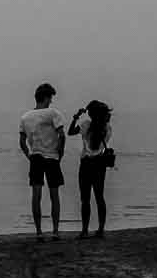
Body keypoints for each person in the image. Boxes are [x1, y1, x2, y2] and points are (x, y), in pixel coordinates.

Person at [17, 82, 67, 237]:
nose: (51, 101)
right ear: (46, 97)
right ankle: (55, 231)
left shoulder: (25, 117)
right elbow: (62, 135)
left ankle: (38, 231)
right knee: (54, 195)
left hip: (35, 157)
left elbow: (22, 141)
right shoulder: (52, 113)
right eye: (50, 97)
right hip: (52, 157)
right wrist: (60, 152)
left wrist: (29, 155)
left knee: (36, 195)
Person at [68, 99, 114, 238]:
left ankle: (84, 230)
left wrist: (76, 117)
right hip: (100, 164)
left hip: (86, 164)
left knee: (85, 199)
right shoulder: (107, 128)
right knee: (100, 197)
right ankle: (100, 229)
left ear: (91, 114)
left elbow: (70, 132)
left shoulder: (85, 125)